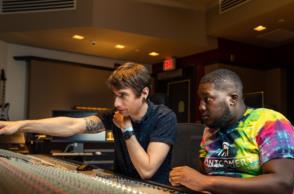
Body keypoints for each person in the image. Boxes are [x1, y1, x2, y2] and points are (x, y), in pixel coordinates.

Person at [0, 62, 177, 184]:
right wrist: (21, 124)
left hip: (156, 193)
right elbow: (72, 125)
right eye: (115, 95)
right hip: (123, 188)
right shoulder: (116, 114)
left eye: (123, 95)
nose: (116, 103)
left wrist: (126, 129)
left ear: (144, 93)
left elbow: (146, 171)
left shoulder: (164, 117)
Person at [169, 69, 294, 194]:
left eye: (207, 99)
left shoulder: (270, 122)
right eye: (200, 100)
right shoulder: (211, 130)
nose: (201, 107)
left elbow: (281, 186)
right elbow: (202, 176)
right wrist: (186, 179)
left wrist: (206, 183)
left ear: (233, 98)